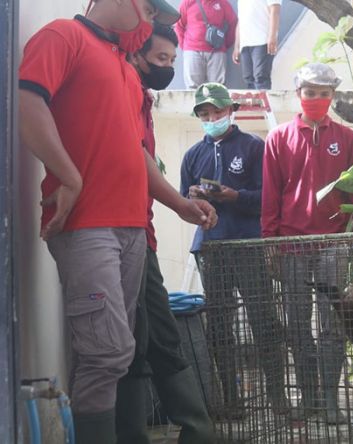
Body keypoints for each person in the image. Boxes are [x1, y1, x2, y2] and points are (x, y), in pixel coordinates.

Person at [18, 0, 217, 442]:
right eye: (149, 9)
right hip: (89, 225)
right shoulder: (62, 37)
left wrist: (179, 205)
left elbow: (136, 150)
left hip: (130, 229)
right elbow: (27, 101)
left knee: (116, 353)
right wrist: (68, 175)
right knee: (106, 351)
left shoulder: (126, 71)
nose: (151, 20)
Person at [116, 24, 215, 444]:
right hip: (121, 234)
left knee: (155, 334)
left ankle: (197, 431)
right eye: (161, 60)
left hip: (142, 233)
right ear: (135, 55)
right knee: (133, 342)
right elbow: (138, 159)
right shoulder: (122, 90)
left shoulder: (142, 99)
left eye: (173, 60)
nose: (168, 68)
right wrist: (182, 205)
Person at [261, 63, 353, 423]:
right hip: (291, 244)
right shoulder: (279, 138)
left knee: (331, 325)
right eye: (310, 92)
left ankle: (331, 399)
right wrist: (270, 241)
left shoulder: (349, 138)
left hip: (334, 242)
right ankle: (310, 399)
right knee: (298, 326)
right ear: (298, 94)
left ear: (332, 96)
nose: (317, 99)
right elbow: (271, 194)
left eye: (324, 93)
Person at [180, 82, 290, 416]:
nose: (211, 118)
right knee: (219, 324)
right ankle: (230, 398)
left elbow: (269, 199)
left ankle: (278, 397)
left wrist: (235, 197)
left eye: (217, 112)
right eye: (205, 113)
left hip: (248, 244)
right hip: (211, 248)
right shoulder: (192, 155)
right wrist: (197, 199)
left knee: (263, 319)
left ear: (231, 111)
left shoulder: (254, 147)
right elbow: (185, 200)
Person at [176, 0, 237, 89]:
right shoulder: (187, 2)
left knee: (217, 89)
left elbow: (233, 22)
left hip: (217, 52)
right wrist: (185, 46)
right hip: (192, 51)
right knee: (192, 89)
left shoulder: (222, 3)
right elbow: (179, 26)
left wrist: (224, 44)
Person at [232, 0, 281, 90]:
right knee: (248, 78)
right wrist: (237, 46)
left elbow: (275, 11)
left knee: (261, 77)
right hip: (245, 43)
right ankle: (253, 104)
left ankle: (263, 104)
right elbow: (240, 21)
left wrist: (272, 36)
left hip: (262, 41)